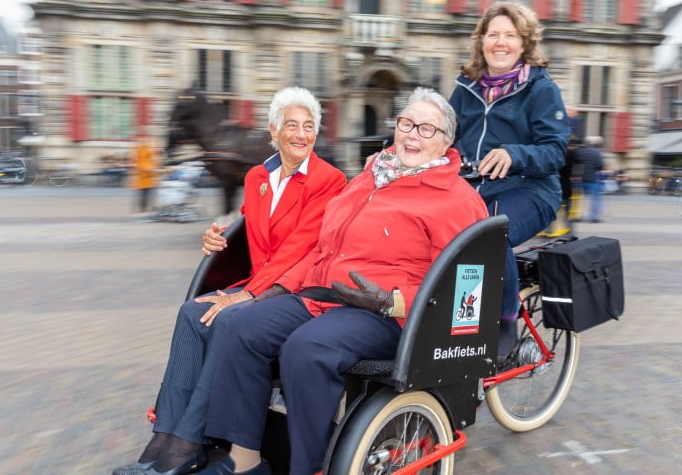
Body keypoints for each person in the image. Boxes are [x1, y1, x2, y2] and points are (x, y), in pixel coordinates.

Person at [194, 87, 489, 475]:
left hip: (386, 313)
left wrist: (391, 301)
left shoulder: (458, 201)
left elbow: (463, 293)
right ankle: (245, 462)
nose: (413, 134)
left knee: (306, 348)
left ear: (447, 141)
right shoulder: (367, 179)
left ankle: (306, 467)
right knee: (243, 326)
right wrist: (270, 291)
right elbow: (320, 248)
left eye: (427, 129)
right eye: (406, 123)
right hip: (323, 293)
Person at [111, 87, 346, 475]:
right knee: (191, 313)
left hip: (295, 288)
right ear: (274, 130)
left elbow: (300, 248)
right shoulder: (257, 176)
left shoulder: (329, 180)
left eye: (308, 127)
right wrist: (214, 239)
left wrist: (247, 296)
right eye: (291, 125)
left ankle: (188, 443)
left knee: (225, 320)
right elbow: (250, 229)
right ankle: (164, 436)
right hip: (262, 280)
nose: (300, 134)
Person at [448, 2, 570, 360]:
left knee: (487, 232)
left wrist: (514, 154)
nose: (500, 43)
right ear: (481, 40)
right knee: (440, 232)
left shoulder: (541, 89)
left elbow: (554, 152)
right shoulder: (465, 87)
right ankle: (459, 324)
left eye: (510, 35)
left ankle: (504, 321)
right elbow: (444, 136)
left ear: (524, 42)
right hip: (474, 190)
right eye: (493, 34)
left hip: (531, 190)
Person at [573, 135, 605, 222]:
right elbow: (600, 165)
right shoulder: (596, 152)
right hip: (591, 179)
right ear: (593, 143)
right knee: (595, 198)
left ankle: (577, 216)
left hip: (578, 178)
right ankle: (594, 217)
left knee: (578, 198)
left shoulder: (578, 151)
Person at [130, 133, 161, 219]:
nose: (144, 141)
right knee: (144, 195)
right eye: (142, 139)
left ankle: (148, 211)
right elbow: (137, 163)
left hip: (149, 177)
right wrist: (149, 169)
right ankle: (143, 212)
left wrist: (153, 169)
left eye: (145, 139)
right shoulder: (139, 150)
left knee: (149, 195)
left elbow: (153, 157)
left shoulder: (147, 149)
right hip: (143, 177)